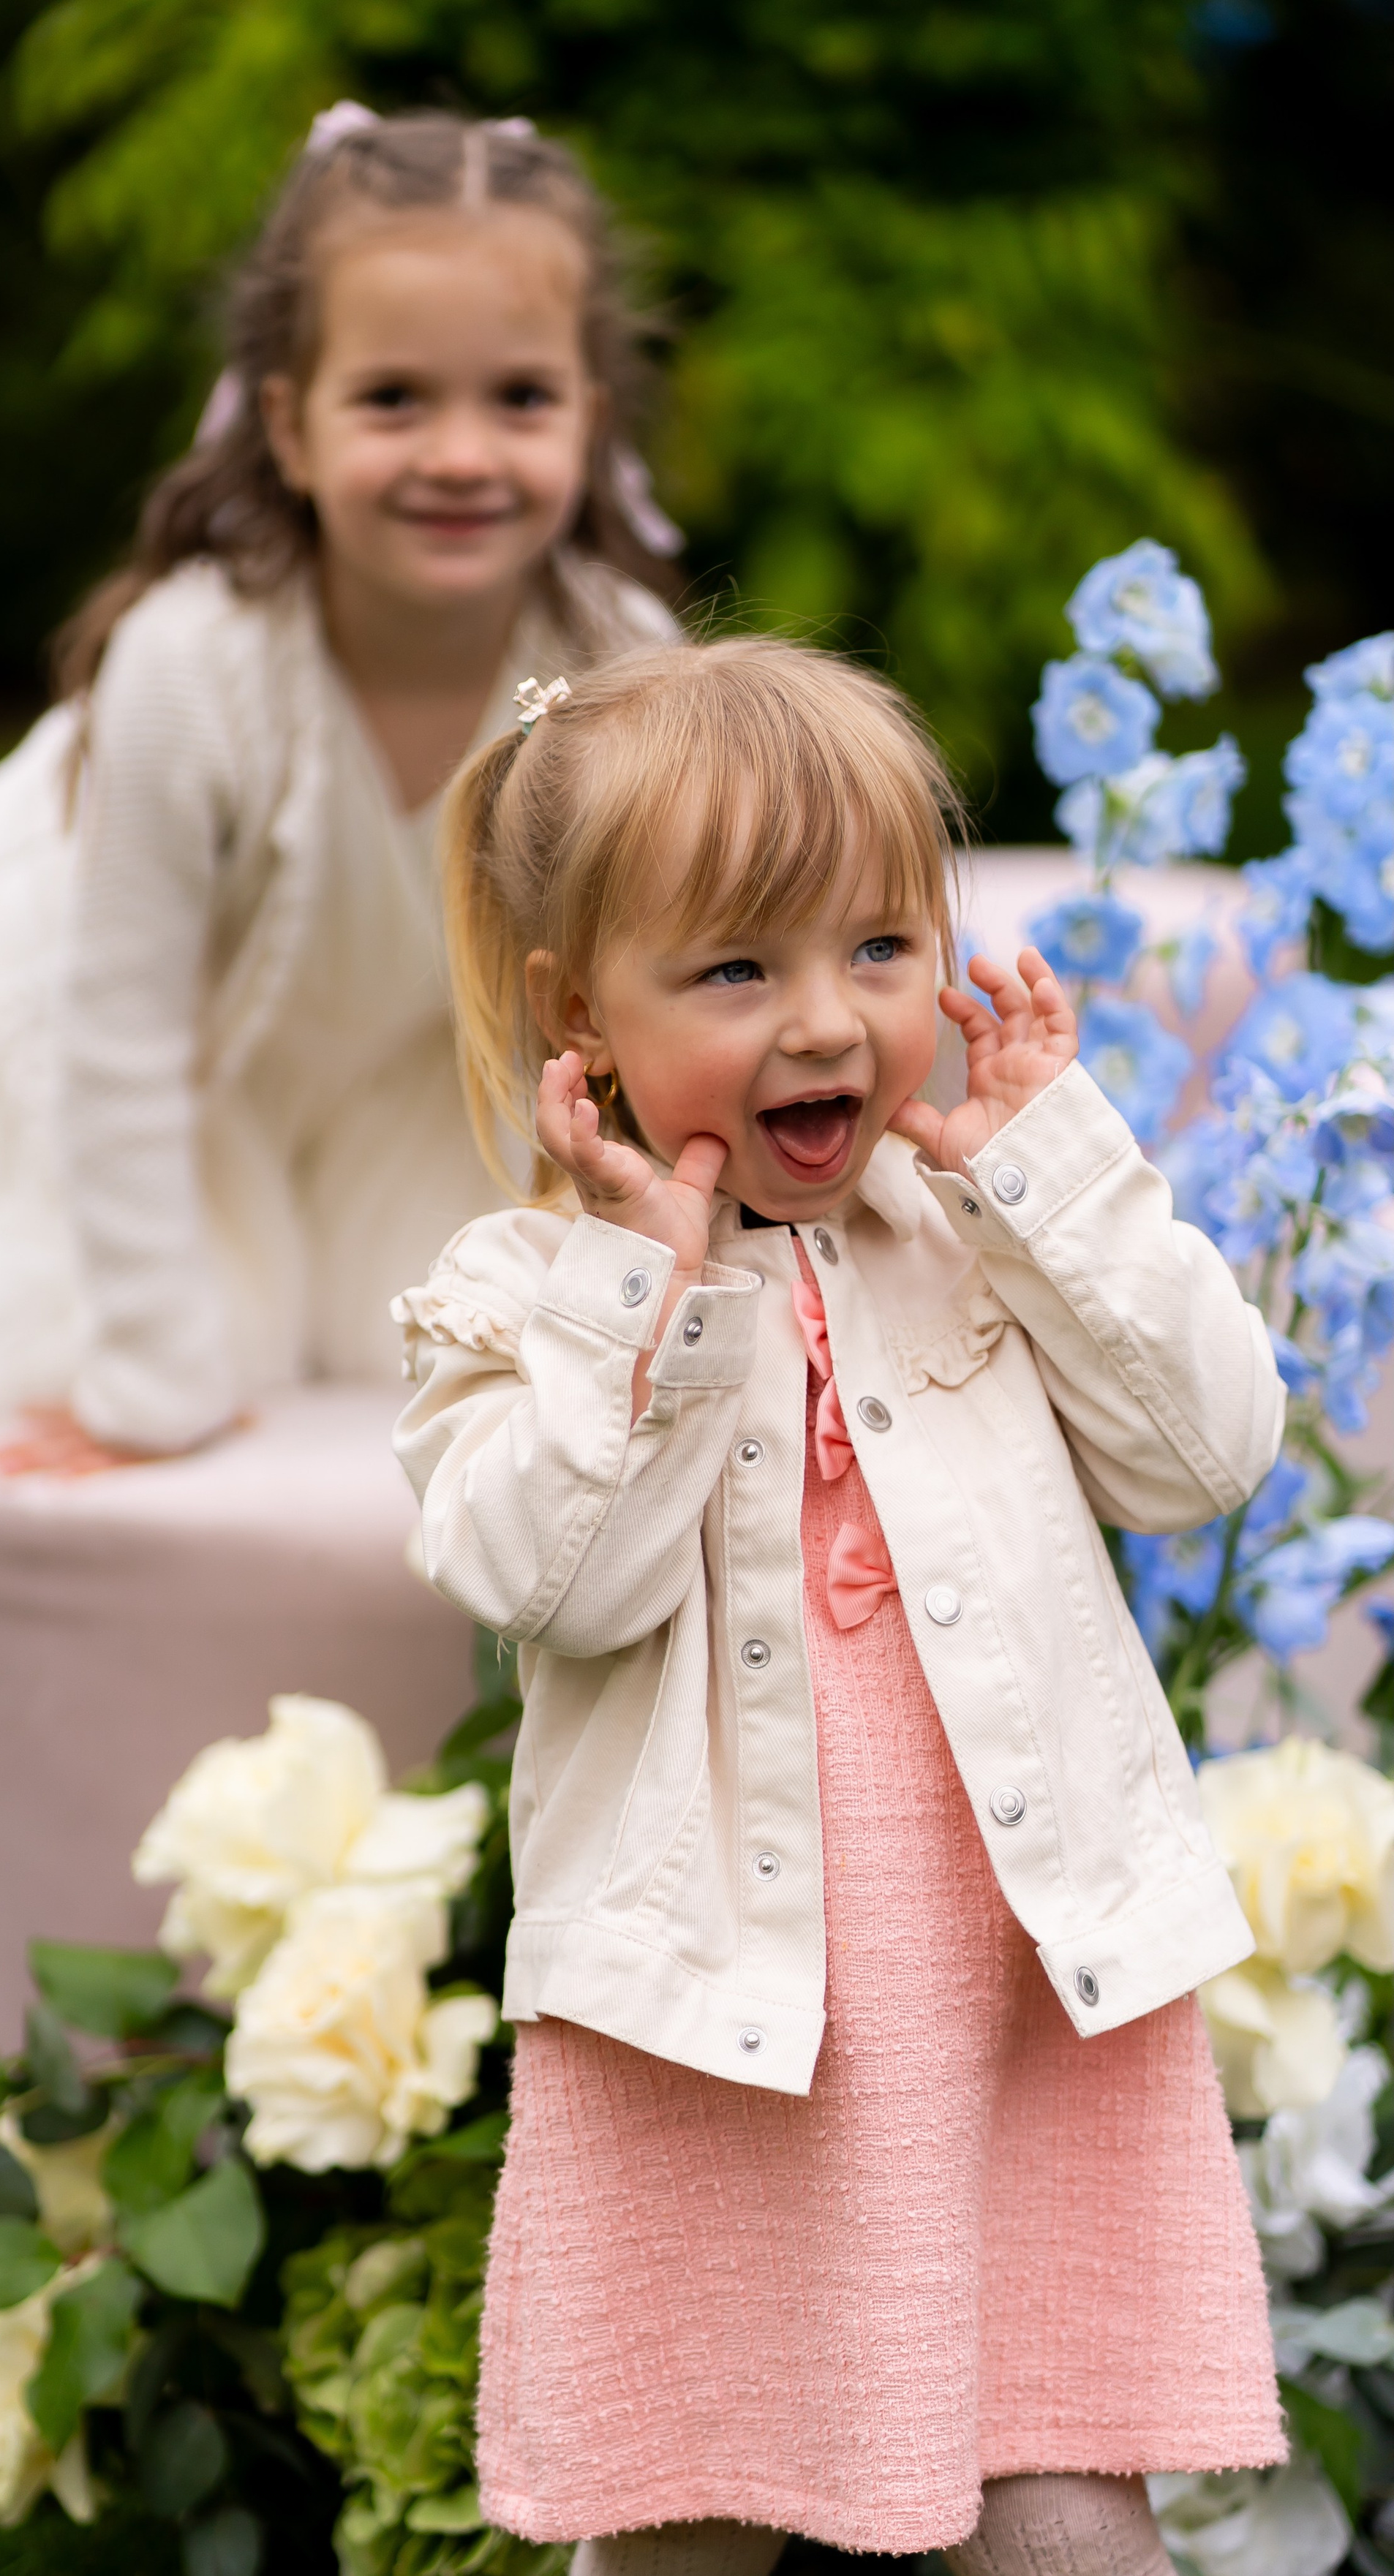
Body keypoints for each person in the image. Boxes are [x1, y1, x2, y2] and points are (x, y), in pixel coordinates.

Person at [392, 638, 1286, 2574]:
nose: (826, 1023)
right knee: (691, 2521)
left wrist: (1054, 1166)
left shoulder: (975, 1231)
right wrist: (652, 1278)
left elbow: (1206, 1452)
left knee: (1062, 2508)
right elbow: (554, 1568)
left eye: (881, 948)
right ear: (582, 1019)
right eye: (735, 969)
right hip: (714, 2054)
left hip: (1004, 2017)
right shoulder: (521, 1295)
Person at [0, 106, 680, 1502]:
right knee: (181, 1358)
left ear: (592, 422)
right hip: (153, 1051)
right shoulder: (197, 671)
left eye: (521, 400)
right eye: (394, 399)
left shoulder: (600, 669)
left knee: (467, 1357)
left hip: (430, 1062)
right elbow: (113, 1035)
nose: (461, 453)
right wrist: (147, 1376)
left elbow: (647, 985)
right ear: (290, 427)